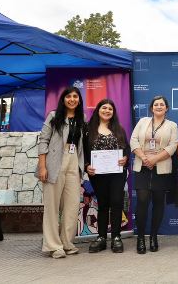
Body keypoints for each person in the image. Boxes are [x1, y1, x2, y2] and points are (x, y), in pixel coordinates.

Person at [35, 87, 86, 259]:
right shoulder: (53, 116)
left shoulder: (82, 118)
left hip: (74, 163)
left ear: (79, 100)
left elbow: (81, 145)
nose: (72, 99)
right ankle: (53, 246)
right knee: (52, 206)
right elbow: (43, 141)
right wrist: (42, 166)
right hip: (54, 162)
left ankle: (67, 243)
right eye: (69, 96)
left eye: (75, 96)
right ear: (63, 99)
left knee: (72, 206)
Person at [130, 95, 178, 253]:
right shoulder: (143, 122)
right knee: (143, 201)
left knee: (159, 202)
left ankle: (153, 236)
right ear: (151, 108)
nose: (159, 106)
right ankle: (141, 238)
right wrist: (145, 158)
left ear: (166, 108)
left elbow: (172, 146)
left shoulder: (172, 125)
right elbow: (133, 140)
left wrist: (155, 159)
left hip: (162, 168)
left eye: (162, 104)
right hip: (142, 166)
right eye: (156, 104)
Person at [84, 99, 129, 253]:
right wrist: (86, 166)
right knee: (103, 204)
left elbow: (127, 149)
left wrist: (125, 158)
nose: (107, 111)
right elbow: (82, 151)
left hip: (117, 174)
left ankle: (116, 237)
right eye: (104, 108)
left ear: (113, 112)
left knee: (116, 202)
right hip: (98, 175)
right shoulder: (89, 129)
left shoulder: (119, 129)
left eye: (110, 108)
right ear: (98, 110)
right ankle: (101, 237)